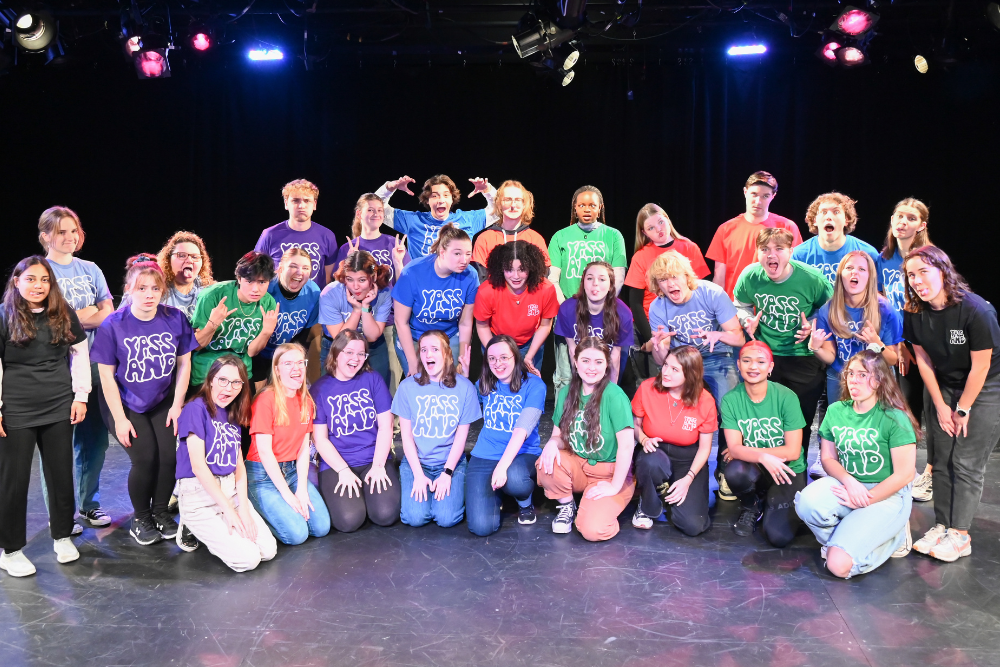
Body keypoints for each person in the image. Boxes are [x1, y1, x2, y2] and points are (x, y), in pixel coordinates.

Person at [904, 246, 1000, 562]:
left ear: (944, 271)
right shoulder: (914, 312)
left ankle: (960, 534)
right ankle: (942, 525)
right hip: (944, 384)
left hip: (984, 387)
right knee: (941, 458)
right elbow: (922, 358)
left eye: (924, 272)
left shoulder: (976, 311)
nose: (917, 281)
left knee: (967, 462)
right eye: (911, 275)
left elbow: (981, 367)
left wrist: (962, 409)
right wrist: (940, 404)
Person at [91, 255, 197, 545]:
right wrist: (121, 419)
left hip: (162, 398)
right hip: (124, 402)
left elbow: (184, 364)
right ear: (128, 289)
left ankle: (161, 512)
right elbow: (107, 377)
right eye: (141, 288)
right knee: (145, 457)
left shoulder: (174, 318)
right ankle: (141, 517)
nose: (149, 294)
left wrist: (177, 405)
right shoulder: (113, 324)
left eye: (154, 288)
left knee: (169, 456)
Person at [0, 257, 88, 577]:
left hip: (58, 405)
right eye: (31, 279)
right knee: (14, 480)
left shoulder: (62, 313)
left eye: (44, 280)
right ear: (17, 281)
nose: (38, 286)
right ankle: (10, 551)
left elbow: (80, 353)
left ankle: (62, 536)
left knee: (60, 474)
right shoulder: (3, 316)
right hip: (17, 409)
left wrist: (81, 396)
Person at [795, 351, 918, 578]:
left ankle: (894, 535)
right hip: (851, 486)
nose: (853, 380)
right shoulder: (835, 411)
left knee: (838, 567)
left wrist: (865, 500)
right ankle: (845, 540)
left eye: (863, 375)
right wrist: (850, 483)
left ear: (880, 379)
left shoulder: (894, 417)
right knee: (807, 503)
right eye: (851, 373)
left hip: (887, 494)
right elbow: (828, 459)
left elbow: (905, 474)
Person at [37, 206, 114, 528]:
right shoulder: (39, 270)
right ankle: (61, 514)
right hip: (54, 367)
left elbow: (108, 311)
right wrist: (84, 314)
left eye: (73, 230)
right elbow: (43, 318)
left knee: (93, 439)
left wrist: (70, 316)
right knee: (56, 444)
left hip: (94, 365)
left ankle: (88, 504)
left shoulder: (90, 268)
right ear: (45, 237)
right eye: (61, 232)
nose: (69, 237)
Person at [644, 251, 744, 498]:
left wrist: (717, 335)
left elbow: (738, 336)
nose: (671, 284)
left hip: (716, 356)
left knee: (730, 409)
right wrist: (659, 346)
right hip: (683, 361)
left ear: (686, 276)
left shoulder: (711, 293)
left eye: (674, 277)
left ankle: (725, 471)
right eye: (664, 280)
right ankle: (664, 469)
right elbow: (661, 362)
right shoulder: (658, 307)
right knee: (666, 403)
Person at [733, 228, 833, 463]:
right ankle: (764, 467)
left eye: (779, 249)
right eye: (765, 249)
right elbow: (740, 304)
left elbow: (830, 309)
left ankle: (796, 469)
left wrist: (812, 324)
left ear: (790, 252)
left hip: (803, 357)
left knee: (801, 420)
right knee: (766, 418)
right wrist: (746, 319)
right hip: (767, 359)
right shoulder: (751, 276)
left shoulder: (812, 278)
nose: (771, 255)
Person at [174, 355, 277, 571]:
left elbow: (239, 467)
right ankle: (190, 522)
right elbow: (199, 467)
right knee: (248, 559)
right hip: (200, 493)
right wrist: (229, 511)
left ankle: (220, 523)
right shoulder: (195, 409)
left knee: (268, 551)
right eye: (223, 380)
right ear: (211, 379)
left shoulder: (233, 413)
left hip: (229, 490)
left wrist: (244, 511)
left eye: (236, 382)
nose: (228, 388)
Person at [536, 337, 635, 541]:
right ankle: (567, 505)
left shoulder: (615, 396)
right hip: (578, 467)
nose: (592, 367)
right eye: (586, 360)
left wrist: (615, 486)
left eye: (598, 362)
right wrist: (552, 444)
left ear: (607, 364)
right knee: (546, 462)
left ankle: (605, 507)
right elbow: (558, 436)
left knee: (592, 530)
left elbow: (626, 446)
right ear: (575, 360)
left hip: (608, 474)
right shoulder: (566, 393)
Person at [311, 330, 400, 533]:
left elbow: (386, 427)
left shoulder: (373, 380)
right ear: (335, 353)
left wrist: (378, 465)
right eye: (349, 352)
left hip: (373, 458)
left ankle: (368, 492)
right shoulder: (319, 389)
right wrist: (343, 470)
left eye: (361, 354)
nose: (355, 359)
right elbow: (320, 439)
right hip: (337, 464)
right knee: (349, 521)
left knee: (385, 514)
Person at [720, 341, 808, 546]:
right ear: (738, 365)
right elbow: (733, 448)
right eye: (747, 361)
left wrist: (747, 451)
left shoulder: (787, 397)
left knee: (778, 537)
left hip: (787, 469)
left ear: (770, 367)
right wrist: (759, 456)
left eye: (761, 361)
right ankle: (752, 506)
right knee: (734, 470)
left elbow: (793, 452)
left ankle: (773, 501)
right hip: (755, 469)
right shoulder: (731, 400)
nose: (753, 367)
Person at [391, 331, 481, 528]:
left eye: (434, 349)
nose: (428, 355)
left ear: (447, 353)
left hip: (450, 463)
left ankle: (454, 491)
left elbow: (461, 437)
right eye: (423, 350)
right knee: (415, 518)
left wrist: (447, 473)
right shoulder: (407, 387)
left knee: (446, 518)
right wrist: (417, 474)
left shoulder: (465, 388)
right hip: (418, 462)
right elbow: (405, 436)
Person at [245, 343, 330, 545]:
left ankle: (284, 507)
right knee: (297, 534)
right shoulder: (266, 399)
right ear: (277, 369)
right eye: (288, 363)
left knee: (321, 527)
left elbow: (303, 450)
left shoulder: (306, 401)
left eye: (300, 363)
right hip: (262, 475)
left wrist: (300, 488)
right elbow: (264, 452)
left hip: (291, 470)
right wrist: (287, 495)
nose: (296, 368)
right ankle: (258, 509)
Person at [876, 198, 932, 500]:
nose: (902, 222)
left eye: (911, 218)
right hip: (896, 344)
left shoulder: (929, 257)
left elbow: (929, 306)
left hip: (925, 344)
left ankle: (930, 473)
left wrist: (912, 342)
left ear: (921, 225)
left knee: (929, 409)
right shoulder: (882, 259)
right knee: (902, 409)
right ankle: (899, 471)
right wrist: (896, 342)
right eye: (899, 216)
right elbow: (884, 305)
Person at [631, 346, 717, 535]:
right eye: (665, 365)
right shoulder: (648, 388)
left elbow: (704, 448)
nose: (666, 372)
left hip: (688, 460)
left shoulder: (706, 400)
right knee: (651, 461)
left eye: (675, 369)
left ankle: (666, 493)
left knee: (693, 525)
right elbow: (634, 426)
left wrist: (688, 479)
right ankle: (647, 505)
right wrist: (644, 438)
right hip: (655, 451)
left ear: (691, 374)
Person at [466, 334, 547, 536]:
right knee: (481, 528)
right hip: (485, 453)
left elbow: (522, 429)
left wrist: (502, 466)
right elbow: (463, 402)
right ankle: (497, 496)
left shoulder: (535, 385)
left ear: (515, 357)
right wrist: (464, 374)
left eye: (504, 357)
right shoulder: (483, 384)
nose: (497, 363)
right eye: (492, 358)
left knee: (515, 479)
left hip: (522, 453)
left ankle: (524, 502)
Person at [548, 186, 628, 391]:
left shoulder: (613, 235)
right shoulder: (560, 236)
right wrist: (565, 309)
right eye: (581, 205)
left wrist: (602, 304)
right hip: (570, 314)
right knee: (567, 376)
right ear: (574, 208)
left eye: (592, 205)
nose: (586, 209)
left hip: (603, 314)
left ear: (600, 208)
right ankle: (566, 421)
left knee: (603, 373)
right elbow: (553, 279)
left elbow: (618, 276)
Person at [625, 204, 710, 381]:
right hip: (655, 326)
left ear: (668, 220)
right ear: (644, 232)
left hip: (688, 324)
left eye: (661, 223)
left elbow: (702, 289)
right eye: (651, 228)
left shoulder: (689, 248)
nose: (659, 230)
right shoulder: (641, 256)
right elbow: (636, 303)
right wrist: (652, 338)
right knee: (660, 381)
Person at [335, 193, 411, 389]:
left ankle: (390, 420)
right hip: (357, 323)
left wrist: (397, 262)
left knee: (389, 380)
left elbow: (406, 286)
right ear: (359, 214)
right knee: (355, 379)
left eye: (380, 210)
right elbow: (338, 285)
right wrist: (348, 262)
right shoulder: (348, 247)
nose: (376, 214)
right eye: (371, 210)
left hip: (388, 322)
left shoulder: (393, 244)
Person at [811, 251, 902, 407]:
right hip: (841, 378)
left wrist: (876, 343)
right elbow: (831, 357)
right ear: (841, 275)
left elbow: (893, 360)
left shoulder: (884, 308)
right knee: (841, 428)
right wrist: (815, 347)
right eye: (849, 268)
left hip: (876, 377)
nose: (855, 272)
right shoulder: (828, 310)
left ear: (870, 277)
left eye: (862, 269)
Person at [392, 223, 479, 378]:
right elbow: (400, 321)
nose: (464, 260)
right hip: (414, 335)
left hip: (449, 335)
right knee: (419, 382)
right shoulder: (413, 272)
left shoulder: (470, 276)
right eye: (457, 253)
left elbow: (465, 323)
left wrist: (463, 360)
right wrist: (413, 362)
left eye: (468, 254)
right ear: (442, 252)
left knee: (450, 382)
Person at [707, 171, 803, 299]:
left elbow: (796, 270)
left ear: (773, 196)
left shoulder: (787, 227)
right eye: (754, 194)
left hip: (775, 306)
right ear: (745, 192)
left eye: (765, 196)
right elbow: (719, 277)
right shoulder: (725, 229)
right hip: (735, 307)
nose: (758, 201)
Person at [190, 251, 279, 386]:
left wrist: (266, 332)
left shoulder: (268, 303)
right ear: (239, 278)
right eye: (249, 281)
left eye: (262, 282)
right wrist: (212, 325)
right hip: (206, 373)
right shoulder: (212, 296)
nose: (255, 289)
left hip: (240, 373)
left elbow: (251, 352)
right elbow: (196, 347)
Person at [473, 240, 557, 374]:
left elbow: (545, 325)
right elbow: (482, 326)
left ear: (531, 267)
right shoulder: (486, 291)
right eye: (509, 270)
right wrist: (496, 354)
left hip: (530, 344)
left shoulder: (546, 289)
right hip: (495, 341)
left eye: (522, 269)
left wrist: (529, 356)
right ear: (501, 268)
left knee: (528, 386)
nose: (516, 276)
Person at [377, 174, 497, 259]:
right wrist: (389, 188)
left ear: (452, 199)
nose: (441, 200)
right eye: (434, 196)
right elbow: (374, 208)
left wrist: (488, 190)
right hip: (421, 288)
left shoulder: (467, 220)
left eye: (446, 195)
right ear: (427, 200)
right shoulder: (414, 221)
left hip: (455, 288)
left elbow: (498, 211)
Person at [320, 249, 394, 385]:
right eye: (349, 279)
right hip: (336, 347)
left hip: (372, 347)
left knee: (375, 394)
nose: (355, 287)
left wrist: (365, 307)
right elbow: (340, 338)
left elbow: (372, 336)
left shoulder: (384, 293)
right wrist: (356, 310)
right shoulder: (330, 293)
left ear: (373, 277)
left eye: (362, 280)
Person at [553, 261, 634, 385]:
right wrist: (579, 386)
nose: (595, 283)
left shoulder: (623, 313)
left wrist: (610, 390)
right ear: (583, 282)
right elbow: (572, 350)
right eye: (590, 278)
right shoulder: (567, 309)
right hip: (581, 362)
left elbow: (615, 357)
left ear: (611, 285)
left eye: (602, 279)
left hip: (607, 363)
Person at [254, 247, 321, 386]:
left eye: (305, 268)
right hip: (256, 354)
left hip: (285, 356)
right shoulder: (265, 288)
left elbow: (304, 334)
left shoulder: (313, 292)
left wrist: (290, 361)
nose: (299, 272)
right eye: (293, 266)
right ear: (280, 268)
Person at [254, 178, 339, 288]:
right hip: (277, 302)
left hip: (315, 302)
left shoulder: (327, 236)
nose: (301, 206)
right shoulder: (269, 234)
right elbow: (257, 271)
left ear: (314, 204)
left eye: (307, 201)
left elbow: (328, 277)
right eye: (295, 200)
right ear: (286, 203)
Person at [792, 192, 880, 285]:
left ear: (846, 220)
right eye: (824, 212)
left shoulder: (868, 253)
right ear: (815, 220)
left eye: (836, 212)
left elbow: (877, 293)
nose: (829, 217)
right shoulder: (799, 255)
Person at [471, 179, 551, 274]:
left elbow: (542, 276)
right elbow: (480, 278)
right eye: (508, 200)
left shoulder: (535, 239)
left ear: (524, 204)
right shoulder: (485, 239)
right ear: (499, 204)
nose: (513, 205)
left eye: (518, 200)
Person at [155, 230, 215, 320]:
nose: (189, 261)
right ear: (168, 259)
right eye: (182, 255)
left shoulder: (209, 291)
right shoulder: (156, 290)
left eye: (195, 257)